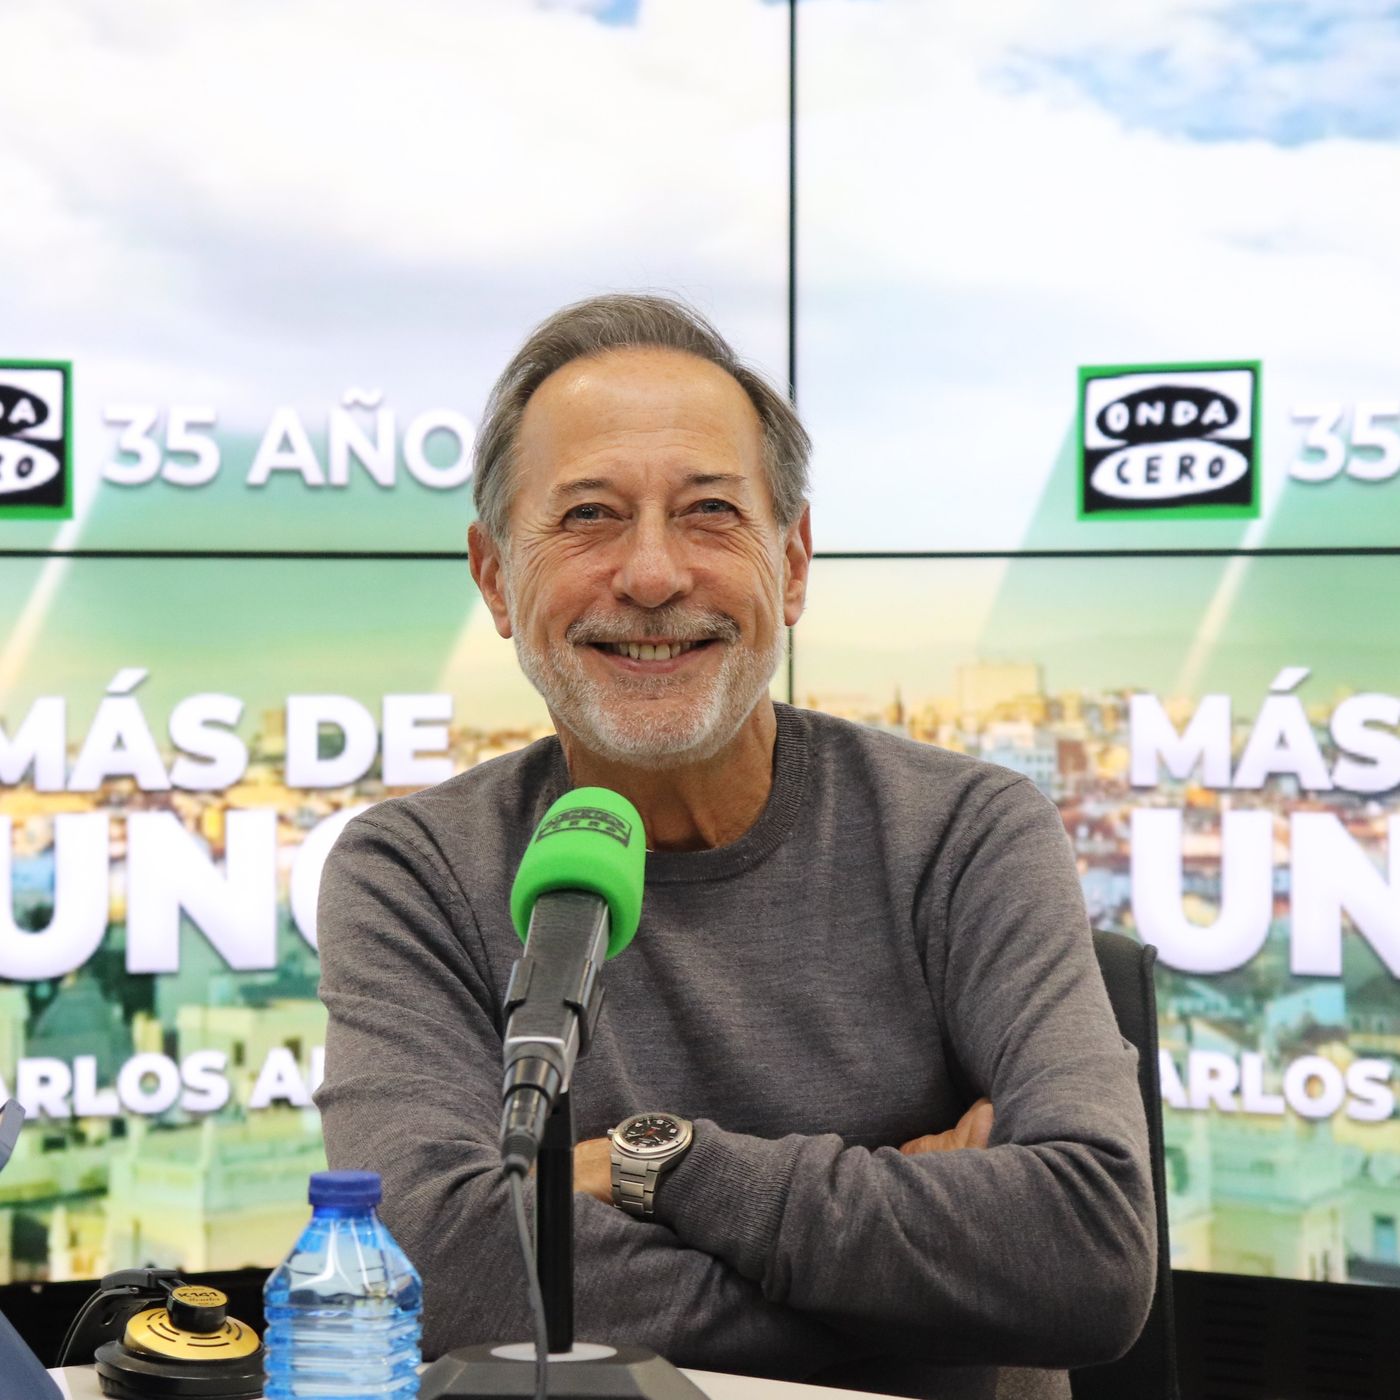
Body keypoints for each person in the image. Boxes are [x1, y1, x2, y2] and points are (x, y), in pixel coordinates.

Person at [314, 294, 1155, 1400]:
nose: (654, 574)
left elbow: (1087, 1248)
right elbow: (441, 1268)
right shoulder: (411, 870)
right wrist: (924, 1299)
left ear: (791, 561)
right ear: (493, 581)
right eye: (587, 517)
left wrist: (644, 1162)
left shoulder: (965, 829)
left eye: (709, 510)